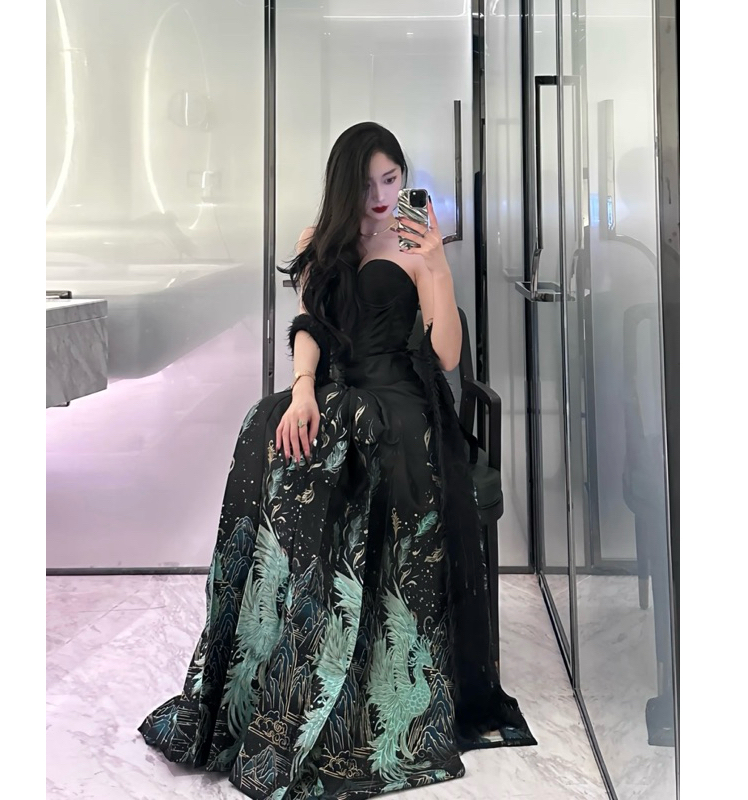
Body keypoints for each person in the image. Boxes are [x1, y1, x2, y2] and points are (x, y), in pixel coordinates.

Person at [138, 121, 536, 799]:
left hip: (401, 401)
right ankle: (286, 632)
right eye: (369, 182)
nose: (382, 195)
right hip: (330, 388)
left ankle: (345, 646)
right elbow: (310, 328)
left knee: (355, 433)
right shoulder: (316, 242)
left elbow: (445, 355)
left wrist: (437, 265)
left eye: (392, 179)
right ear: (343, 185)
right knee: (263, 424)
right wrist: (300, 391)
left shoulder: (415, 245)